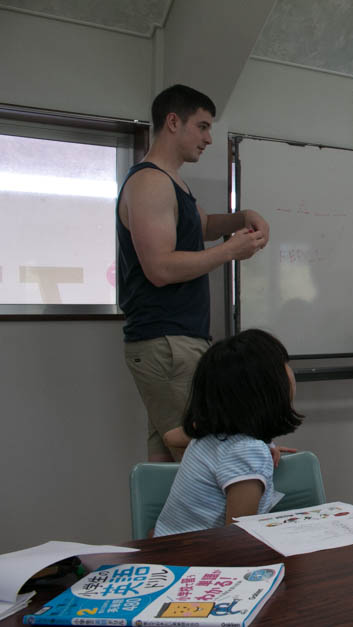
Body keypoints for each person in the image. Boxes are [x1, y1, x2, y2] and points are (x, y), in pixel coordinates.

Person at [118, 84, 270, 462]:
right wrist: (228, 251)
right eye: (202, 127)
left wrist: (243, 216)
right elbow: (160, 268)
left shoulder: (172, 182)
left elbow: (200, 227)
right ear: (173, 122)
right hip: (166, 341)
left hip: (176, 340)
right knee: (203, 459)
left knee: (169, 463)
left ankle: (161, 525)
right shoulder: (150, 182)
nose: (208, 138)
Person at [154, 329, 302, 537]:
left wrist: (267, 446)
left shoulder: (212, 433)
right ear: (265, 387)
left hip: (170, 548)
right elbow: (237, 539)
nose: (290, 372)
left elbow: (171, 437)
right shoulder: (248, 451)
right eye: (283, 365)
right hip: (198, 562)